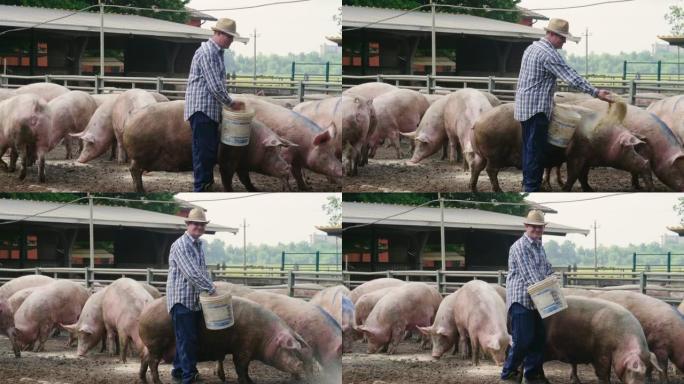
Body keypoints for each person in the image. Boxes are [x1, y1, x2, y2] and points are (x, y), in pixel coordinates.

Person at [515, 18, 614, 192]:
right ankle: (532, 187)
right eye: (562, 37)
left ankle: (528, 182)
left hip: (524, 107)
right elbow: (570, 76)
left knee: (529, 148)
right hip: (537, 109)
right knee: (535, 151)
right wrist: (596, 92)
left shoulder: (531, 48)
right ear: (552, 34)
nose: (564, 41)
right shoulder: (548, 54)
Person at [184, 18, 248, 192]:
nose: (231, 40)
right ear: (219, 34)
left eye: (232, 37)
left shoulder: (216, 53)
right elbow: (214, 85)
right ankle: (201, 187)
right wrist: (230, 103)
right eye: (229, 36)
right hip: (202, 109)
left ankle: (206, 183)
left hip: (208, 110)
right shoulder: (208, 52)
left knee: (208, 150)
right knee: (204, 152)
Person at [500, 210, 555, 384]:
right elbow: (529, 275)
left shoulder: (539, 246)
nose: (537, 230)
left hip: (537, 299)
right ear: (526, 226)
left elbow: (547, 268)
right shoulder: (519, 247)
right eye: (534, 226)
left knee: (539, 338)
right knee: (523, 339)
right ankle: (508, 373)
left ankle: (531, 375)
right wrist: (549, 291)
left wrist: (552, 279)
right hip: (522, 299)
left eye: (540, 227)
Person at [166, 207, 217, 384]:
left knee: (187, 338)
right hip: (182, 300)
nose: (199, 227)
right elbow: (192, 273)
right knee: (187, 339)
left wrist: (210, 284)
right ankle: (189, 376)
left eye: (202, 224)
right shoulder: (181, 245)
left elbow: (202, 271)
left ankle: (179, 372)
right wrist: (212, 289)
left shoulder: (198, 245)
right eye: (195, 223)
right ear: (188, 224)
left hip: (194, 300)